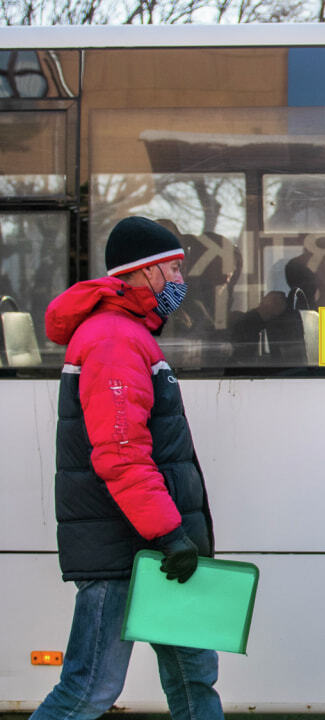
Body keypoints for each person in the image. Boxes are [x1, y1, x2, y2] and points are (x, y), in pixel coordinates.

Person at [36, 216, 222, 720]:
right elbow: (121, 451)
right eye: (174, 269)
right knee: (88, 690)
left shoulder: (129, 334)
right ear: (143, 274)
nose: (180, 282)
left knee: (194, 681)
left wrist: (170, 537)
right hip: (127, 551)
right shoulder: (114, 339)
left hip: (152, 548)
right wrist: (169, 534)